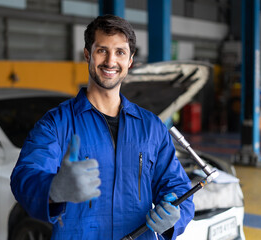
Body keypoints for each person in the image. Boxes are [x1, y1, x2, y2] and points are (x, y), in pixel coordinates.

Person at [10, 14, 194, 240]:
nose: (110, 61)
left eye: (120, 52)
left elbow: (177, 186)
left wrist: (174, 215)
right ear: (88, 54)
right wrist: (52, 189)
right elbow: (25, 176)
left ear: (130, 60)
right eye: (101, 50)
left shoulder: (151, 127)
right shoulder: (57, 123)